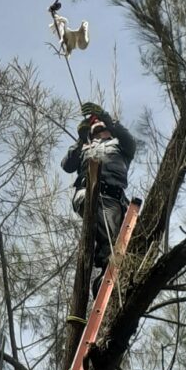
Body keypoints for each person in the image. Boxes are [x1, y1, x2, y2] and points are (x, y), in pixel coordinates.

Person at [61, 102, 136, 286]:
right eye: (93, 128)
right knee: (110, 239)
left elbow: (130, 142)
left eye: (100, 125)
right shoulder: (84, 148)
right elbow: (67, 166)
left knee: (117, 242)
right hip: (87, 193)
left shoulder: (119, 145)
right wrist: (80, 140)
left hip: (113, 198)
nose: (97, 128)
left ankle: (104, 279)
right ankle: (107, 274)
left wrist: (105, 116)